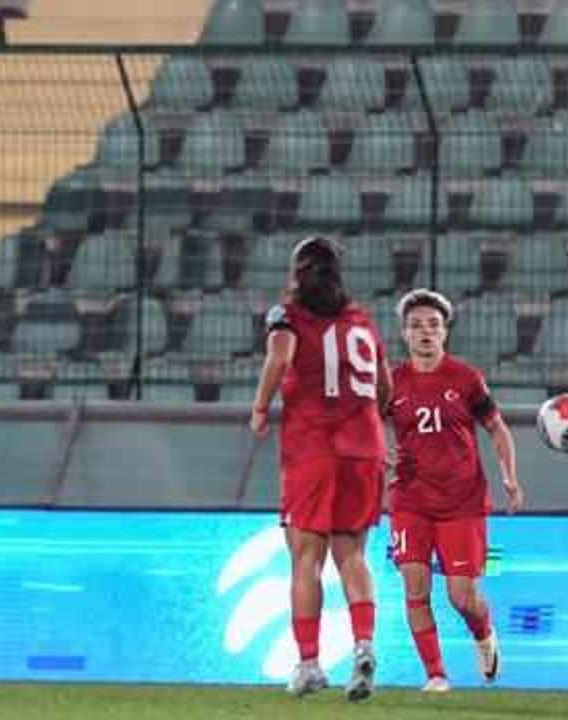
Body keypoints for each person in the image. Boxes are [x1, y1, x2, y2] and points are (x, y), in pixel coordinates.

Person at [248, 236, 389, 702]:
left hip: (314, 448)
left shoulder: (288, 317)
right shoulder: (362, 322)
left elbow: (281, 356)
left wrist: (260, 407)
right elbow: (385, 389)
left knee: (306, 558)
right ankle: (363, 647)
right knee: (352, 555)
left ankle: (309, 663)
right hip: (365, 449)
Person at [386, 288, 522, 694]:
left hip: (462, 501)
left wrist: (509, 477)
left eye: (433, 324)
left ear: (445, 332)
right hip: (410, 500)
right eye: (416, 325)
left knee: (461, 597)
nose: (425, 331)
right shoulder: (391, 382)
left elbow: (496, 428)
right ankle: (436, 675)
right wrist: (380, 451)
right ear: (405, 334)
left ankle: (484, 635)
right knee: (415, 587)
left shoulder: (465, 379)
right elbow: (367, 423)